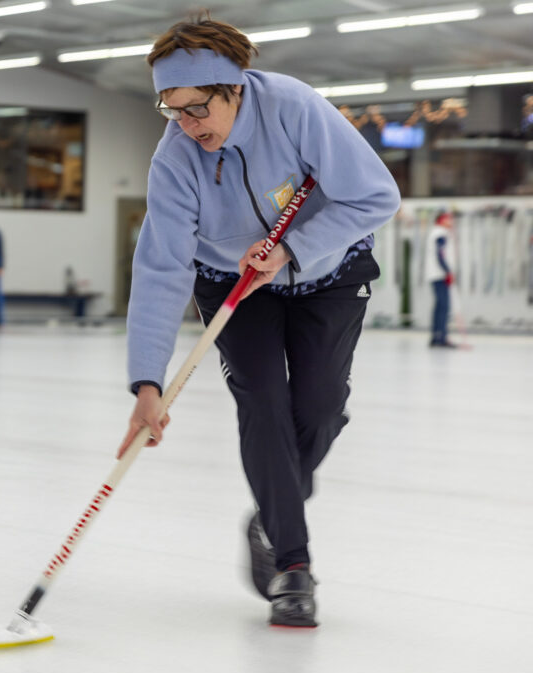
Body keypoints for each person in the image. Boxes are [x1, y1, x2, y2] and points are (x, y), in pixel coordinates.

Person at [119, 15, 399, 628]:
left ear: (234, 88)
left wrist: (294, 248)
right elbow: (161, 268)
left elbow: (376, 195)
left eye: (197, 110)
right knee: (263, 403)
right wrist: (147, 383)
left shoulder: (295, 108)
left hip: (328, 274)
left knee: (321, 407)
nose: (188, 127)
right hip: (234, 288)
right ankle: (291, 565)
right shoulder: (176, 160)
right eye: (172, 111)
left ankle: (274, 508)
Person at [424, 211, 457, 348]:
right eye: (448, 219)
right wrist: (447, 271)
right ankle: (441, 338)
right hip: (439, 275)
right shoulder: (440, 233)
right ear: (442, 220)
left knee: (439, 306)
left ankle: (437, 337)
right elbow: (440, 254)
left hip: (436, 274)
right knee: (444, 307)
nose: (451, 222)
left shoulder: (436, 232)